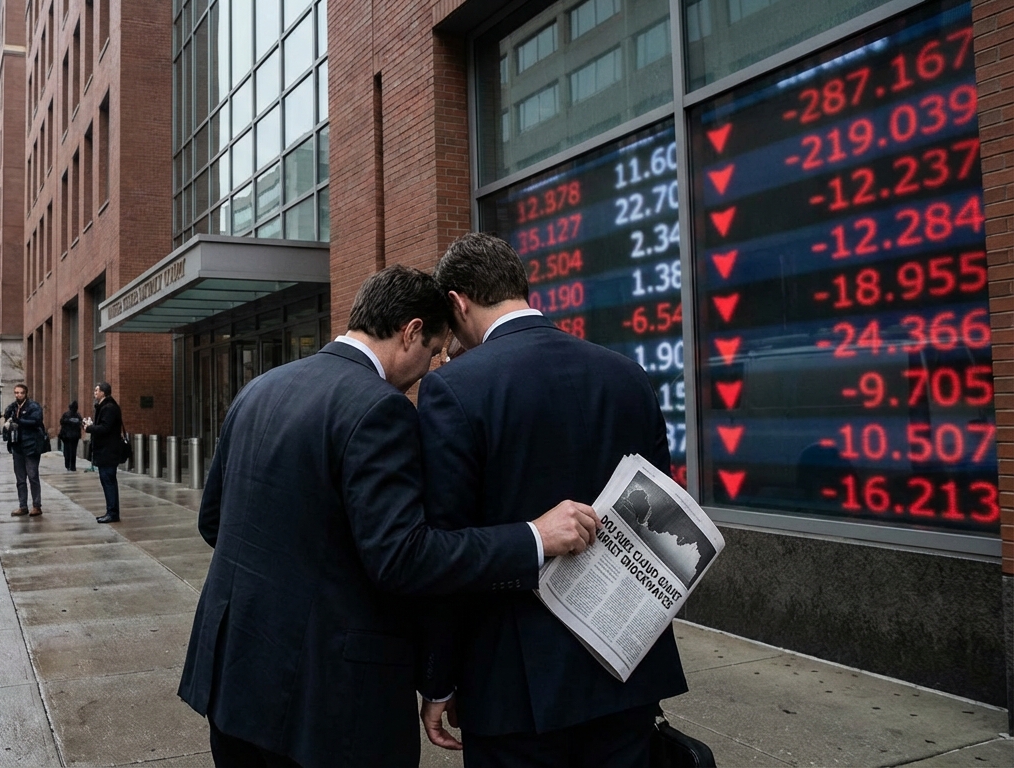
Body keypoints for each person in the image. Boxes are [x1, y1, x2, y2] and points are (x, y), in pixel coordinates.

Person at [178, 265, 601, 768]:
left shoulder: (260, 388)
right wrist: (535, 536)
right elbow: (403, 556)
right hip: (325, 701)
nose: (432, 368)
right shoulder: (380, 408)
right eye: (434, 352)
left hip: (234, 681)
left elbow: (214, 522)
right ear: (412, 331)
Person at [416, 233, 688, 768]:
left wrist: (439, 680)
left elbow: (448, 546)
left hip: (515, 686)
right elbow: (664, 514)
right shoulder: (627, 375)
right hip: (626, 667)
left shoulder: (454, 389)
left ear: (457, 302)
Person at [3, 383, 46, 517]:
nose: (18, 395)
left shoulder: (33, 406)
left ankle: (36, 506)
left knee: (33, 476)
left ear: (26, 393)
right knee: (20, 479)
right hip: (17, 446)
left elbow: (36, 421)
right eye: (16, 393)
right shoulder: (13, 407)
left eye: (21, 393)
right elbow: (7, 419)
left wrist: (19, 421)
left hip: (31, 446)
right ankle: (23, 506)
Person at [85, 382, 124, 523]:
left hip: (108, 451)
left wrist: (89, 428)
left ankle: (112, 513)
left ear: (103, 392)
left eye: (97, 390)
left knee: (108, 481)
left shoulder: (109, 408)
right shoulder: (105, 407)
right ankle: (111, 511)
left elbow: (105, 428)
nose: (94, 393)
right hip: (105, 451)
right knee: (108, 481)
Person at [59, 401, 83, 471]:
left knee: (67, 451)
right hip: (75, 437)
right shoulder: (78, 416)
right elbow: (81, 423)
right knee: (73, 451)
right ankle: (72, 466)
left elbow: (61, 422)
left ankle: (68, 465)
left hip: (67, 436)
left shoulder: (66, 415)